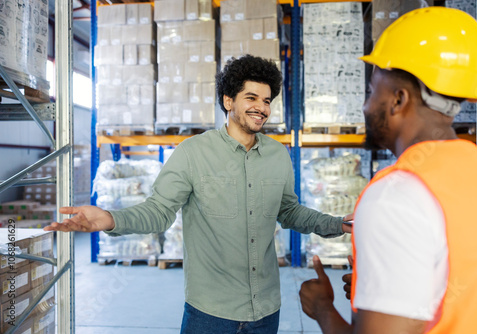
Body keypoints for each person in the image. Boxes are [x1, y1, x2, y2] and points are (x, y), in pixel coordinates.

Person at [45, 54, 352, 334]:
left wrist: (337, 224)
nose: (262, 107)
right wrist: (110, 218)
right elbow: (158, 210)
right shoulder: (192, 153)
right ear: (228, 101)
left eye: (267, 100)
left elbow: (290, 211)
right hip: (209, 314)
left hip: (266, 309)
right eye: (252, 97)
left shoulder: (277, 156)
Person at [299, 6, 477, 334]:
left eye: (370, 91)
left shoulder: (396, 196)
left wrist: (323, 309)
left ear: (398, 99)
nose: (365, 106)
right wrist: (383, 293)